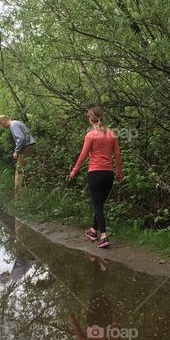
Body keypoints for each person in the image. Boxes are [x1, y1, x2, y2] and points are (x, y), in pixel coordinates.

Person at [68, 106, 123, 249]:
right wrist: (119, 173)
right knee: (99, 204)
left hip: (95, 173)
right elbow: (117, 155)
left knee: (98, 205)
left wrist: (74, 171)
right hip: (108, 175)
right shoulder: (112, 134)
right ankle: (93, 230)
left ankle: (104, 236)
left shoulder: (91, 135)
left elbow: (83, 155)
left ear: (90, 119)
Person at [0, 115, 36, 196]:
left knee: (18, 170)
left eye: (1, 125)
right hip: (30, 146)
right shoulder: (16, 123)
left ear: (3, 122)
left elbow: (21, 138)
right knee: (28, 169)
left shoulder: (13, 125)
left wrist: (16, 151)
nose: (2, 127)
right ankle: (29, 190)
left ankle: (18, 194)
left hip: (27, 148)